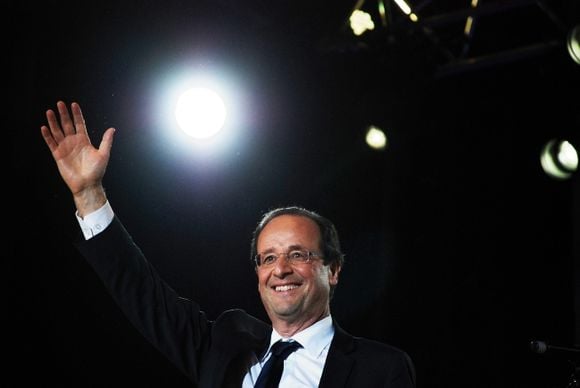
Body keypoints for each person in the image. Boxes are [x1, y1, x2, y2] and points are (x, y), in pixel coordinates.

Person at [40, 100, 416, 388]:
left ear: (332, 270)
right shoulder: (227, 346)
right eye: (267, 258)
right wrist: (89, 193)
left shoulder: (379, 368)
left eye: (297, 254)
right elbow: (143, 294)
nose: (279, 269)